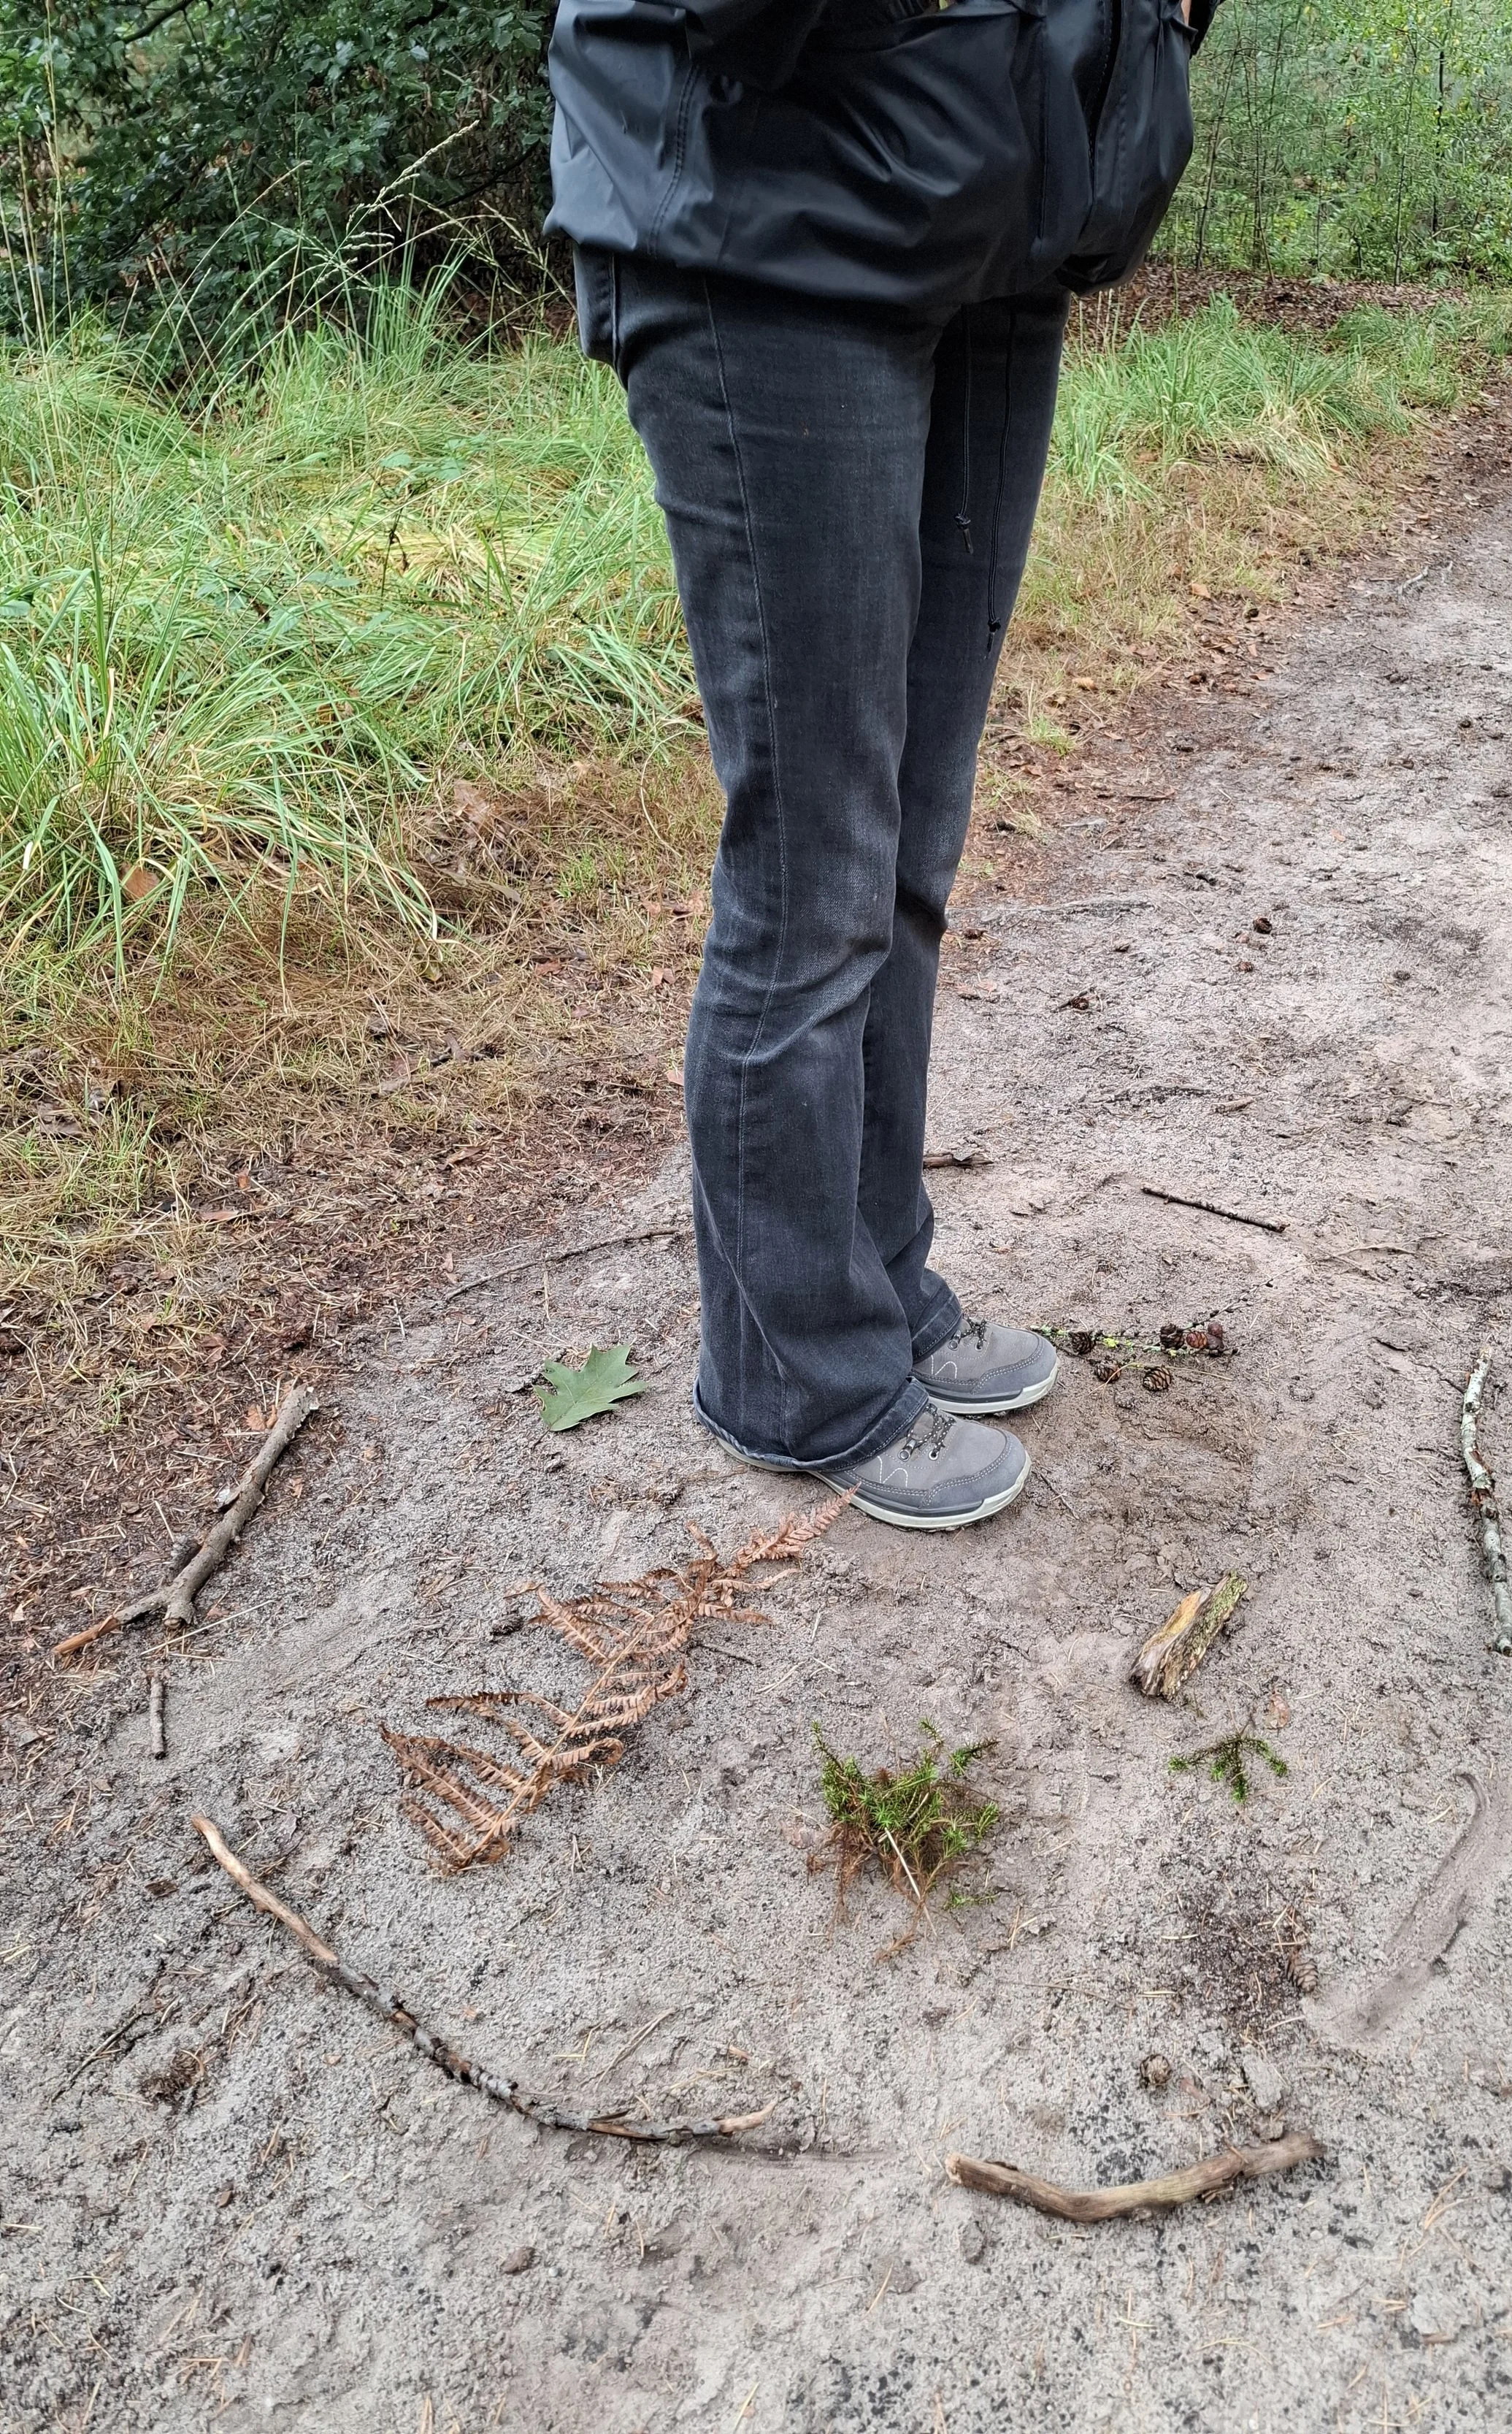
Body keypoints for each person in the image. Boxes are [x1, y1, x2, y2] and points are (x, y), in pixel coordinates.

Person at [548, 0, 1209, 1528]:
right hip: (768, 216)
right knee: (816, 866)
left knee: (907, 846)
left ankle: (877, 1281)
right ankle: (793, 1369)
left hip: (997, 214)